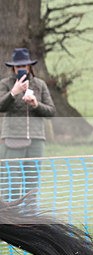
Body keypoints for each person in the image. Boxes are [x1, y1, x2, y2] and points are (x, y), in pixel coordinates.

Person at [0, 48, 55, 203]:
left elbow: (51, 112)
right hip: (11, 139)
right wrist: (13, 93)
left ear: (30, 66)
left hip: (36, 140)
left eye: (24, 66)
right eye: (18, 67)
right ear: (13, 68)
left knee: (32, 185)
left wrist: (36, 104)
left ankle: (30, 222)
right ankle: (10, 221)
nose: (21, 69)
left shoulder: (40, 85)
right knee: (11, 183)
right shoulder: (5, 84)